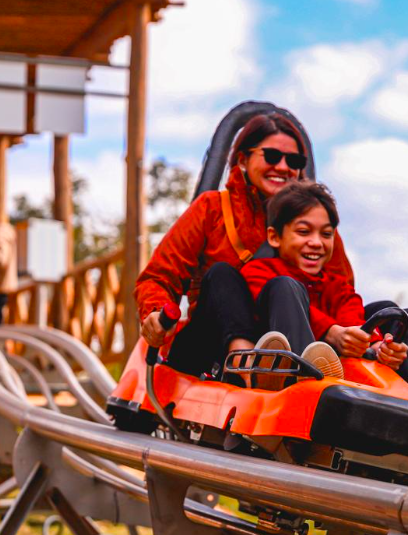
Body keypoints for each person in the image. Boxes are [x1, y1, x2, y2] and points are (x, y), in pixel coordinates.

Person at [241, 180, 408, 423]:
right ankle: (310, 374)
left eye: (326, 235)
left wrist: (376, 348)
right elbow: (270, 296)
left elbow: (354, 320)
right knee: (286, 287)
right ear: (275, 236)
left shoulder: (336, 285)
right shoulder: (260, 272)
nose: (316, 243)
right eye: (304, 232)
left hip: (343, 374)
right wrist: (331, 333)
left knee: (402, 316)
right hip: (290, 375)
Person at [136, 112, 356, 376]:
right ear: (243, 159)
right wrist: (156, 312)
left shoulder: (318, 229)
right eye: (272, 156)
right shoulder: (212, 209)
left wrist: (351, 335)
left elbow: (339, 289)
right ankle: (247, 364)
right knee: (222, 274)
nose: (284, 167)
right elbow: (159, 277)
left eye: (294, 161)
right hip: (211, 344)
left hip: (290, 339)